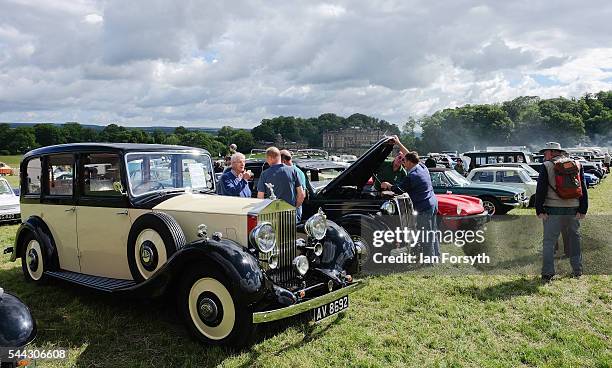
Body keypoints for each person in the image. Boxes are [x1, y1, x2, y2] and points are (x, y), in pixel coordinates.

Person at [535, 142, 588, 283]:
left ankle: (547, 273)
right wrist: (583, 209)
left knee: (549, 243)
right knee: (574, 241)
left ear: (552, 152)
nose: (544, 155)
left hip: (552, 210)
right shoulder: (577, 164)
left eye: (545, 152)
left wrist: (539, 210)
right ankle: (577, 270)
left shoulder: (546, 166)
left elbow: (540, 190)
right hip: (573, 209)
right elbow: (583, 187)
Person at [380, 139, 439, 258]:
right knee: (432, 231)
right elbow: (409, 155)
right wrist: (398, 142)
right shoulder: (422, 167)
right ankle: (436, 255)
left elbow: (398, 190)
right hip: (432, 203)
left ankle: (429, 260)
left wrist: (387, 185)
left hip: (424, 207)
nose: (403, 163)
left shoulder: (412, 176)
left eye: (405, 161)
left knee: (425, 234)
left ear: (410, 162)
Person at [257, 147, 305, 221]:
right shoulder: (293, 171)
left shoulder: (264, 174)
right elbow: (301, 194)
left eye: (267, 158)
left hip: (273, 215)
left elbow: (260, 197)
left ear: (270, 158)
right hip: (290, 215)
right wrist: (295, 208)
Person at [280, 149, 307, 219]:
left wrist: (294, 208)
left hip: (293, 210)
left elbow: (302, 195)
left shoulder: (296, 172)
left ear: (283, 161)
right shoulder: (298, 171)